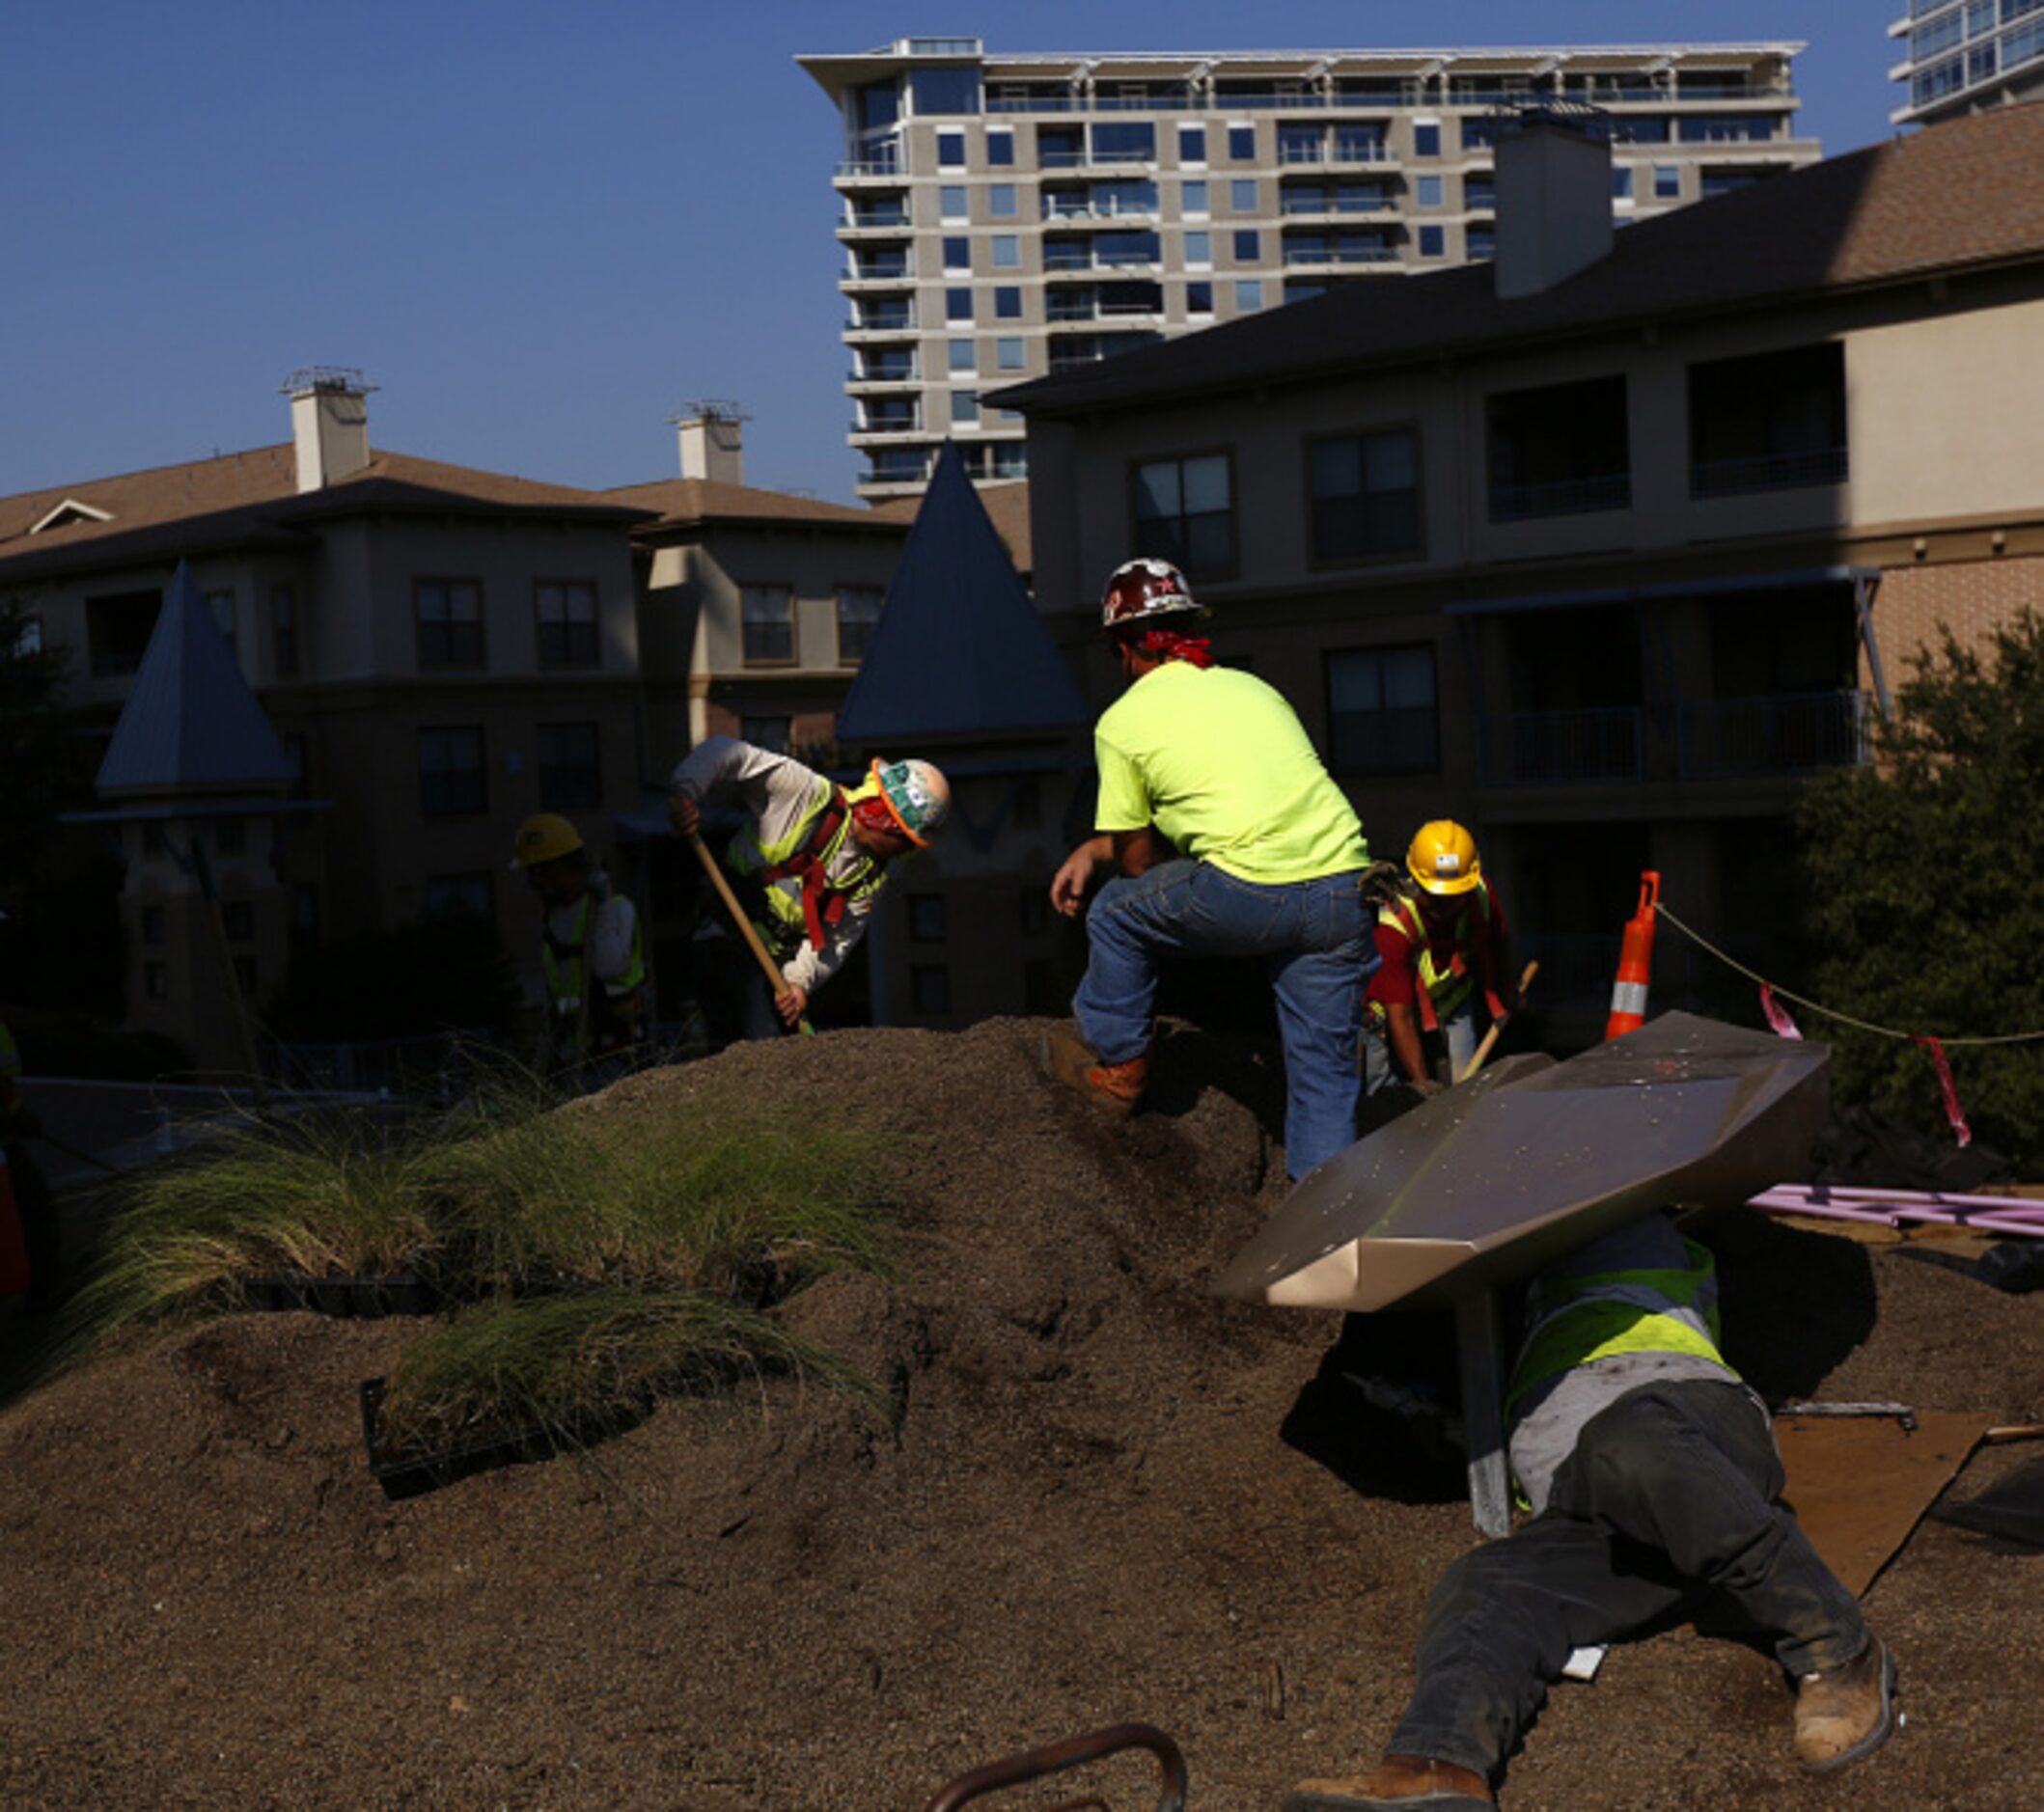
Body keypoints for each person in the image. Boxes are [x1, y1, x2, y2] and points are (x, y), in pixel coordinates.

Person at [1284, 1211, 1893, 1811]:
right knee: (1484, 1582)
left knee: (1629, 1445)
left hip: (1686, 1427)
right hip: (1584, 1500)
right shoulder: (1502, 1289)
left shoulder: (1621, 1215)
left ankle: (1837, 1646)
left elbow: (1621, 1167)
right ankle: (1439, 1762)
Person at [1045, 558, 1375, 1183]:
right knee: (1324, 1071)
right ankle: (1326, 1229)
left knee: (1116, 911)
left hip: (1253, 890)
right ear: (1192, 628)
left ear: (1122, 646)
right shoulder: (1254, 689)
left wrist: (1105, 855)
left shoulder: (1122, 722)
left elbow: (1139, 864)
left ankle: (1119, 1069)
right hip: (1343, 889)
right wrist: (1095, 847)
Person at [667, 738, 949, 1038]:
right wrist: (686, 791)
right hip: (726, 931)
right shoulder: (804, 792)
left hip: (775, 960)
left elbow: (838, 939)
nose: (906, 852)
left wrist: (798, 981)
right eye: (906, 841)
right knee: (750, 1041)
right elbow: (727, 752)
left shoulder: (871, 875)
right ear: (883, 818)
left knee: (778, 1051)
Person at [1363, 821, 1513, 1098]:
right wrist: (1424, 1087)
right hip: (1387, 1019)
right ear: (1417, 883)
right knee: (1386, 1108)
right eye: (1437, 898)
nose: (1447, 906)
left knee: (1464, 1095)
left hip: (1451, 1003)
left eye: (1455, 897)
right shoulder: (1394, 924)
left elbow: (1498, 943)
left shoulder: (1480, 896)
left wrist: (1507, 991)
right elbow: (1401, 1017)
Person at [508, 814, 647, 1082]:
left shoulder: (615, 910)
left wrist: (603, 903)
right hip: (574, 1056)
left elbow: (610, 966)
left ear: (559, 867)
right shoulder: (552, 922)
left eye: (536, 871)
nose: (532, 881)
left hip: (616, 1057)